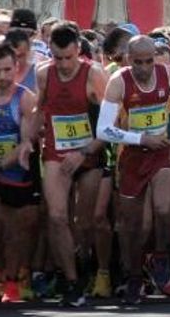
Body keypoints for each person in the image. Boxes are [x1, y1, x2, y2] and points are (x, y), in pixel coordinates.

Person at [97, 35, 170, 304]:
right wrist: (140, 139)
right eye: (138, 62)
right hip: (132, 156)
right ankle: (134, 277)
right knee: (133, 225)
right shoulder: (119, 82)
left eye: (149, 61)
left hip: (162, 152)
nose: (144, 67)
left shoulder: (167, 75)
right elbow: (103, 129)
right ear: (128, 60)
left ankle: (160, 256)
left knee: (163, 208)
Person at [36, 22, 108, 307]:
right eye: (57, 58)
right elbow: (37, 110)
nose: (64, 64)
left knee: (84, 222)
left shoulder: (95, 75)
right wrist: (29, 134)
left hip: (90, 152)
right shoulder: (43, 75)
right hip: (56, 151)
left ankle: (84, 261)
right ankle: (71, 280)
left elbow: (110, 123)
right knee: (56, 216)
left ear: (79, 50)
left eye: (69, 57)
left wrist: (85, 151)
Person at [0, 40, 39, 302]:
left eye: (7, 70)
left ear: (16, 67)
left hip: (14, 172)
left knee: (15, 231)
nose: (2, 76)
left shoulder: (25, 98)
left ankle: (11, 281)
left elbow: (24, 143)